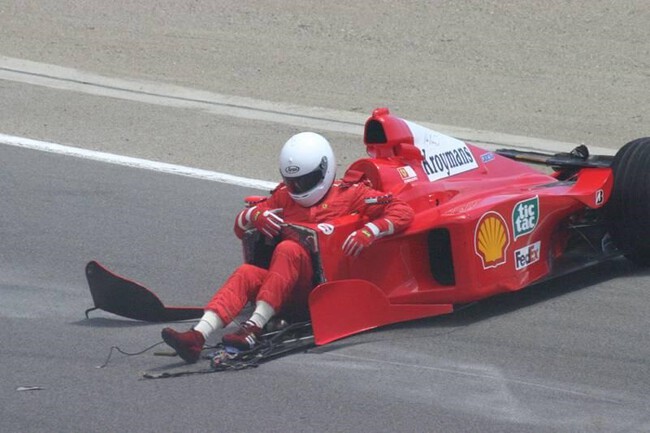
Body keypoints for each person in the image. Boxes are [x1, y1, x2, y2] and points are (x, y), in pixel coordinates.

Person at [161, 132, 414, 363]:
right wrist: (253, 216)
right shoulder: (283, 196)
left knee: (289, 249)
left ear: (324, 170)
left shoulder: (352, 194)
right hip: (283, 289)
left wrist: (371, 230)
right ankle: (197, 335)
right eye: (294, 182)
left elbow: (402, 210)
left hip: (319, 292)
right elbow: (240, 227)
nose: (299, 188)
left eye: (306, 181)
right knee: (246, 272)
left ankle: (253, 328)